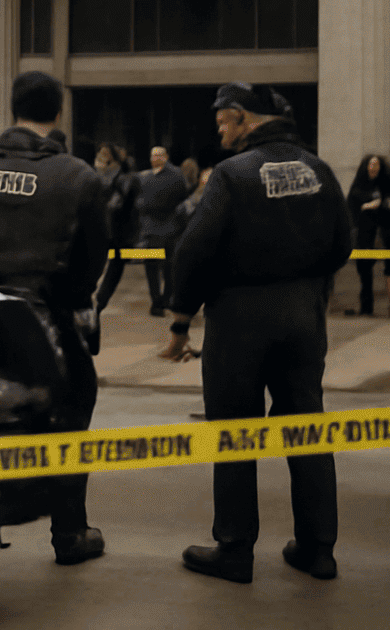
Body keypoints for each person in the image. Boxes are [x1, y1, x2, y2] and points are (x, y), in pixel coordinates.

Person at [159, 82, 352, 584]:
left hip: (239, 319)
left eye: (223, 121)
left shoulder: (232, 174)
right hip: (303, 317)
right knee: (307, 426)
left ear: (244, 118)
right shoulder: (318, 169)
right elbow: (343, 243)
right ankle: (318, 549)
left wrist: (181, 319)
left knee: (236, 433)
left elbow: (193, 251)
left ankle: (235, 549)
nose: (219, 130)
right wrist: (309, 288)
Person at [0, 71, 109, 567]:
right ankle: (70, 534)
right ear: (58, 112)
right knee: (69, 420)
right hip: (48, 316)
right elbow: (94, 255)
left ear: (12, 108)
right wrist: (69, 296)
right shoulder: (78, 175)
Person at [347, 154, 390, 317]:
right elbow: (351, 207)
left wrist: (384, 204)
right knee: (364, 268)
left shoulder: (388, 188)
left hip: (387, 231)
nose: (373, 167)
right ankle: (366, 306)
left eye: (376, 164)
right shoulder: (358, 187)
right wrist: (367, 206)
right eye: (370, 164)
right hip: (366, 234)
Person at [136, 145, 188, 316]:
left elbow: (177, 199)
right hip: (158, 229)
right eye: (152, 155)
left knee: (161, 268)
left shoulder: (172, 176)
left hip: (164, 229)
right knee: (161, 268)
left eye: (158, 155)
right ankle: (161, 300)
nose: (154, 158)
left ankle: (160, 301)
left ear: (166, 156)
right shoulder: (148, 176)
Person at [92, 143, 140, 313]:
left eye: (104, 154)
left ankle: (100, 299)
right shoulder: (103, 174)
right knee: (112, 263)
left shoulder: (118, 175)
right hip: (112, 227)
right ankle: (99, 299)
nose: (101, 157)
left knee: (112, 262)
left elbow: (118, 204)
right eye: (100, 153)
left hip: (114, 227)